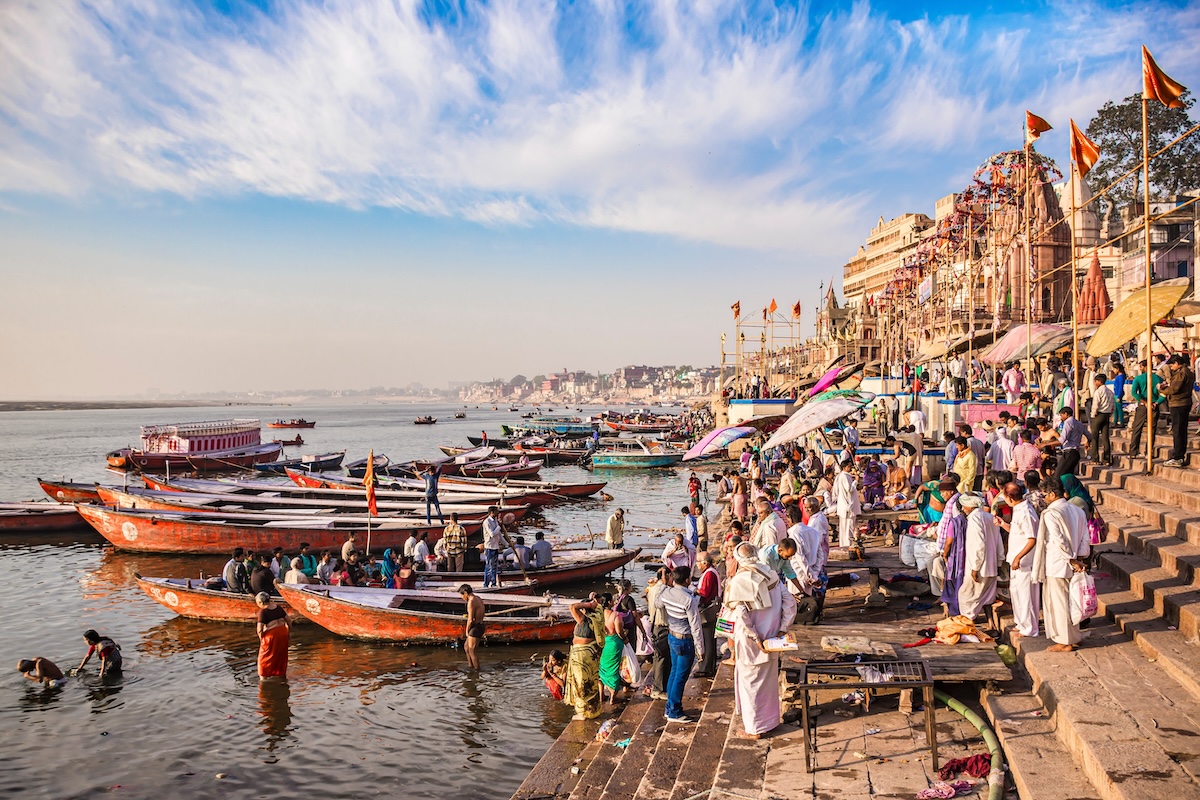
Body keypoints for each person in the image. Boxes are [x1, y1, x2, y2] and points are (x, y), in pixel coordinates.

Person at [723, 543, 787, 738]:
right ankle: (770, 722)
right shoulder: (772, 574)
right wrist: (782, 629)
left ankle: (754, 729)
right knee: (768, 683)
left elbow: (742, 615)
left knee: (750, 685)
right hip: (773, 638)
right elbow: (790, 602)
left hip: (752, 642)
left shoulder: (740, 580)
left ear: (739, 558)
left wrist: (754, 637)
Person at [1032, 476, 1091, 652]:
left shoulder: (1051, 513)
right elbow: (1084, 538)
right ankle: (1073, 636)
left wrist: (1071, 559)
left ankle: (1065, 641)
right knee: (1071, 601)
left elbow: (1059, 540)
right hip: (1072, 563)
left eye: (1044, 495)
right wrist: (1079, 558)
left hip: (1058, 564)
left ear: (1051, 494)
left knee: (1060, 603)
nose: (1044, 499)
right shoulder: (1077, 510)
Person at [655, 565, 704, 723]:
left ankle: (670, 708)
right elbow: (695, 625)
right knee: (680, 677)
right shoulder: (688, 600)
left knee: (674, 672)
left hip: (672, 637)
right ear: (687, 580)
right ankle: (674, 711)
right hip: (685, 640)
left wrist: (663, 585)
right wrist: (700, 648)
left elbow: (657, 603)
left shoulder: (667, 593)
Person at [999, 482, 1040, 638]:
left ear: (1010, 497)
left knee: (1026, 596)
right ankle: (1021, 623)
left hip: (1024, 563)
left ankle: (1029, 628)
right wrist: (1003, 524)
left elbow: (1031, 539)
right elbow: (1017, 532)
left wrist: (1018, 557)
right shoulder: (1018, 510)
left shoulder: (1026, 512)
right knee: (1016, 593)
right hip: (1016, 562)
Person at [957, 493, 1003, 622]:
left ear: (969, 506)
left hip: (979, 567)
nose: (963, 509)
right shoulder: (989, 517)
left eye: (964, 506)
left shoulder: (974, 519)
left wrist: (975, 568)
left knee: (966, 596)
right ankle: (991, 624)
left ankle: (967, 625)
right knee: (986, 596)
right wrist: (998, 563)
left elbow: (979, 545)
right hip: (991, 565)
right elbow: (998, 542)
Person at [564, 595, 606, 719]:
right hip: (590, 655)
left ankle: (583, 713)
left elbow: (572, 607)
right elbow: (598, 606)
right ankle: (593, 711)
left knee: (581, 684)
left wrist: (589, 604)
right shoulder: (598, 617)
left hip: (582, 657)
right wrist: (593, 600)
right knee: (591, 684)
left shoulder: (583, 618)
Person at [1128, 359, 1165, 458]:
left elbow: (1134, 393)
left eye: (1140, 366)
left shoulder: (1138, 379)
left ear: (1144, 367)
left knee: (1137, 428)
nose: (1139, 368)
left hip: (1142, 405)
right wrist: (1156, 403)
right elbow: (1164, 394)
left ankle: (1133, 452)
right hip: (1154, 405)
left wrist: (1144, 402)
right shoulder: (1159, 379)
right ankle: (1148, 452)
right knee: (1151, 430)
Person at [938, 493, 967, 616]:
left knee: (952, 582)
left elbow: (949, 542)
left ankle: (953, 612)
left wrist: (945, 554)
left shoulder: (954, 522)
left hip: (955, 557)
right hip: (966, 558)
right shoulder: (970, 520)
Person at [646, 568, 672, 700]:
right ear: (666, 576)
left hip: (655, 625)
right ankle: (659, 689)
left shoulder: (652, 589)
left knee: (658, 658)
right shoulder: (663, 589)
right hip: (661, 626)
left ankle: (658, 687)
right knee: (662, 659)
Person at [597, 593, 628, 704]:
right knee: (614, 668)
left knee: (603, 668)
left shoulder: (599, 614)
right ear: (609, 602)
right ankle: (612, 698)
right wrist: (625, 639)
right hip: (614, 643)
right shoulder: (615, 615)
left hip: (604, 642)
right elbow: (619, 631)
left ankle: (601, 696)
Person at [1165, 354, 1195, 466]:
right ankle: (1180, 455)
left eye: (1172, 365)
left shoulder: (1181, 373)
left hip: (1178, 404)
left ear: (1177, 364)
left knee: (1178, 431)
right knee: (1181, 431)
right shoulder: (1188, 372)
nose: (1171, 367)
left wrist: (1162, 389)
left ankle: (1177, 456)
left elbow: (1174, 389)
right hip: (1184, 403)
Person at [694, 552, 721, 677]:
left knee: (707, 639)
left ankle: (706, 668)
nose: (697, 565)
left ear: (705, 562)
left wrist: (695, 590)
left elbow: (705, 592)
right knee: (709, 638)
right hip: (710, 607)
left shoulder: (709, 574)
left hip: (708, 608)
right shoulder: (710, 572)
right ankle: (708, 666)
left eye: (698, 562)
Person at [254, 592, 289, 679]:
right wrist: (288, 633)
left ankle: (263, 678)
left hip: (271, 635)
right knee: (281, 655)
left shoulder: (263, 612)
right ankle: (281, 675)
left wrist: (261, 639)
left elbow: (259, 629)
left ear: (261, 603)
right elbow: (289, 621)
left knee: (264, 658)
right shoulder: (278, 607)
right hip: (283, 632)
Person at [831, 459, 861, 548]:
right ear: (844, 467)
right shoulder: (844, 476)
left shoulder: (844, 476)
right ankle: (848, 545)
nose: (850, 467)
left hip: (846, 505)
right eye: (849, 466)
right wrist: (856, 481)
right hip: (848, 506)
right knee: (848, 528)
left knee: (846, 527)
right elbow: (849, 489)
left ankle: (845, 545)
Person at [1089, 373, 1115, 465]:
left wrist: (1093, 415)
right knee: (1105, 438)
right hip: (1106, 415)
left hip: (1098, 415)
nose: (1095, 383)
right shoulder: (1110, 392)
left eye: (1096, 381)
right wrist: (1110, 413)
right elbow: (1113, 405)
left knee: (1095, 437)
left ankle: (1095, 458)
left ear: (1099, 381)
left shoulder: (1098, 392)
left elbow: (1095, 405)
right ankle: (1106, 459)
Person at [1055, 407, 1089, 478]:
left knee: (1058, 476)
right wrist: (1088, 442)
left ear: (1066, 414)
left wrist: (1045, 444)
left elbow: (1062, 440)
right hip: (1075, 453)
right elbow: (1089, 436)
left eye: (1061, 415)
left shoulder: (1068, 423)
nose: (1061, 417)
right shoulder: (1079, 423)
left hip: (1069, 453)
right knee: (1067, 476)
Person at [459, 585, 485, 670]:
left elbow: (470, 619)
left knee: (472, 651)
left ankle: (477, 670)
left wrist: (467, 631)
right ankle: (471, 666)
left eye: (462, 595)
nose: (462, 598)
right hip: (480, 625)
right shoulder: (478, 598)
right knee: (466, 647)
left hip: (475, 627)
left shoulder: (471, 601)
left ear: (466, 593)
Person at [481, 507, 504, 587]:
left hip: (495, 547)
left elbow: (499, 535)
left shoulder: (496, 521)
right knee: (488, 567)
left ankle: (493, 583)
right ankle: (486, 584)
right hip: (489, 548)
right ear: (492, 512)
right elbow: (492, 534)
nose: (498, 513)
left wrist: (507, 544)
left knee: (494, 567)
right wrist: (499, 526)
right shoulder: (486, 522)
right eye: (496, 512)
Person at [1111, 362, 1128, 428]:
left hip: (1118, 394)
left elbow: (1120, 387)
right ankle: (1115, 422)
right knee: (1116, 409)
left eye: (1114, 369)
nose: (1113, 371)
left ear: (1118, 369)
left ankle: (1121, 422)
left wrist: (1119, 396)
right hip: (1116, 393)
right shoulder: (1119, 376)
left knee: (1119, 409)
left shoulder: (1121, 377)